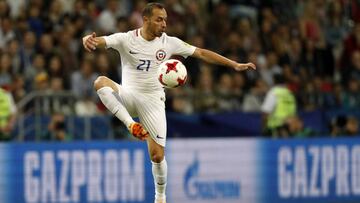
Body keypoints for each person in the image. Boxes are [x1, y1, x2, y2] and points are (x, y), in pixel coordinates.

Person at [82, 3, 256, 203]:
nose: (164, 24)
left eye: (165, 19)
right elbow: (101, 41)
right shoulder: (126, 39)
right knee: (100, 82)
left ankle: (160, 197)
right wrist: (89, 39)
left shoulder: (169, 42)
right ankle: (131, 125)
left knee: (157, 156)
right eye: (159, 19)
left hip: (153, 101)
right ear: (145, 19)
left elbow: (200, 53)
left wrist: (233, 64)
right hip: (128, 96)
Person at [261, 74, 297, 138]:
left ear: (274, 81)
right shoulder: (290, 94)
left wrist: (263, 127)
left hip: (276, 131)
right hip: (289, 130)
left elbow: (266, 112)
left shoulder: (274, 92)